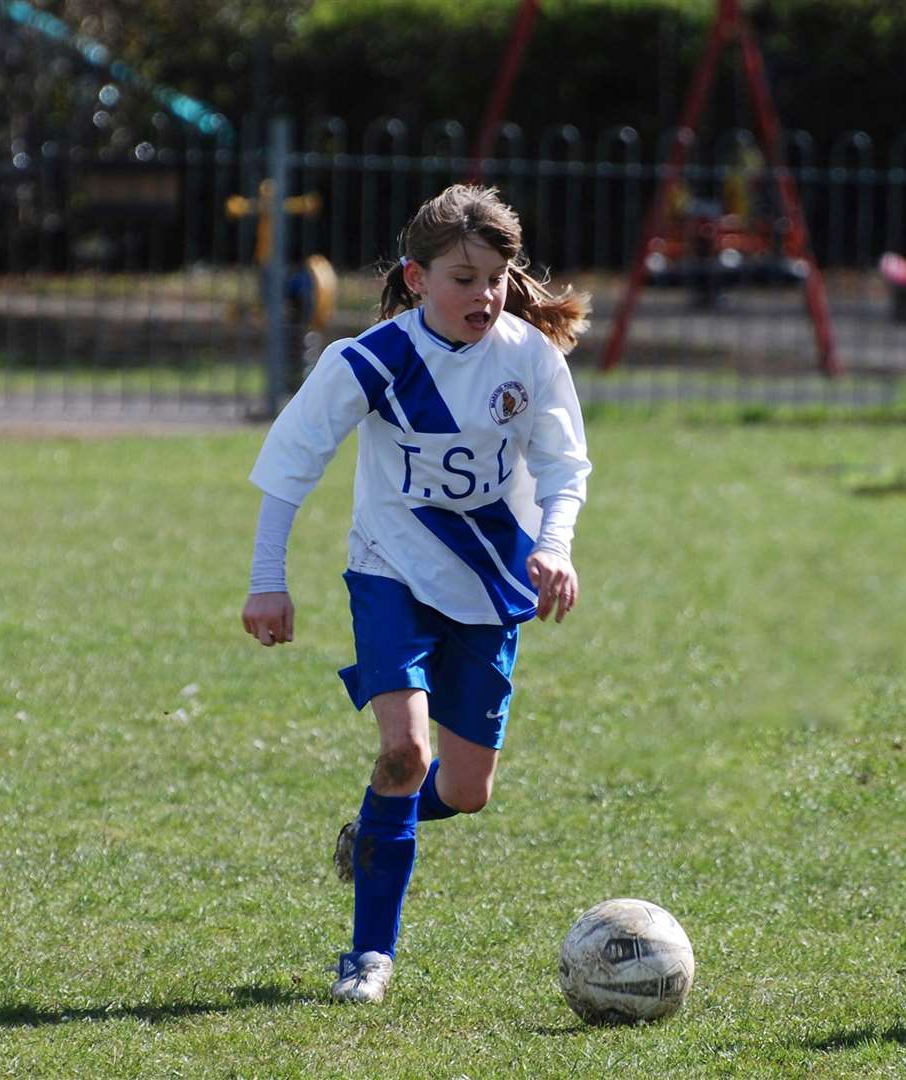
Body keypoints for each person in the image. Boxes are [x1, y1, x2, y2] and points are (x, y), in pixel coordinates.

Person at [240, 184, 593, 1004]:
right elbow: (289, 467)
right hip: (389, 573)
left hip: (488, 585)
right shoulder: (368, 361)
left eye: (496, 277)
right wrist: (267, 581)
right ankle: (368, 957)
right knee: (404, 753)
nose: (484, 295)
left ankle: (374, 827)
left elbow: (563, 467)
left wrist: (554, 547)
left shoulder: (530, 357)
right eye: (462, 278)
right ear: (417, 276)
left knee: (465, 793)